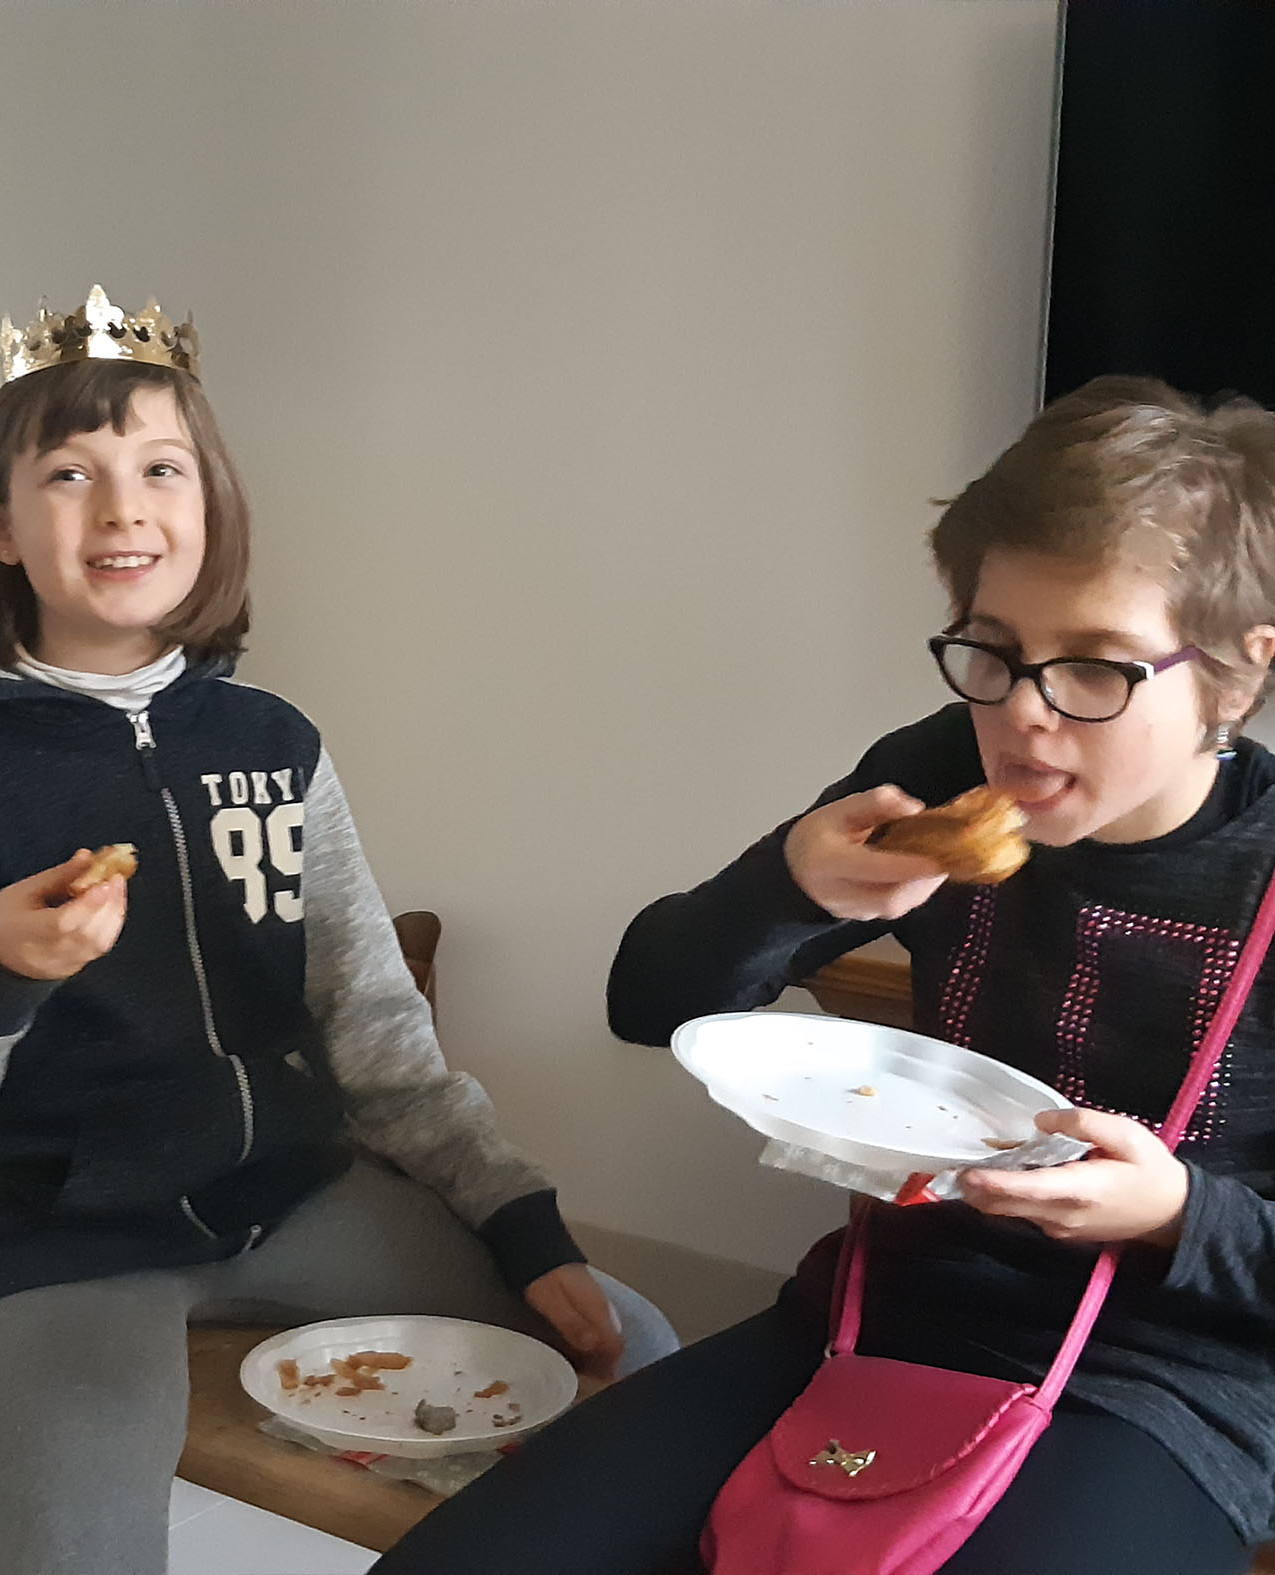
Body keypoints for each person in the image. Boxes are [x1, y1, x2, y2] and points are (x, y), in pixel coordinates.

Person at [0, 289, 678, 1575]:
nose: (122, 510)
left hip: (285, 1194)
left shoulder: (274, 743)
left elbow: (377, 1029)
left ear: (209, 505)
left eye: (161, 468)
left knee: (637, 1359)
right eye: (70, 474)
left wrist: (519, 1220)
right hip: (34, 1243)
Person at [371, 376, 1275, 1575]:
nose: (1025, 717)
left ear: (1237, 675)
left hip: (1169, 1376)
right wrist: (787, 886)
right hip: (879, 1317)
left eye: (1097, 668)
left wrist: (1177, 1216)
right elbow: (647, 1004)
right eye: (995, 653)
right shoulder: (942, 771)